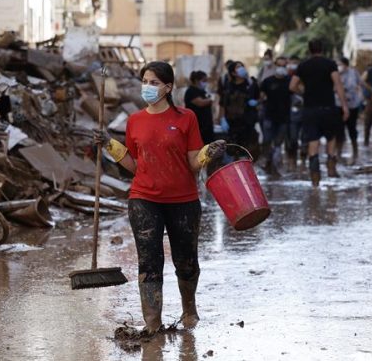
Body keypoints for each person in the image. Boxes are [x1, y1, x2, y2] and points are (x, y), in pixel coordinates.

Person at [93, 61, 226, 335]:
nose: (147, 87)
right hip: (144, 198)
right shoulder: (135, 120)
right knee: (149, 261)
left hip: (183, 199)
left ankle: (189, 309)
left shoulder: (186, 118)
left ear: (168, 87)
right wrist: (109, 145)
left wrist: (207, 153)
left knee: (186, 261)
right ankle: (152, 323)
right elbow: (133, 165)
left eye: (154, 82)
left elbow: (192, 163)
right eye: (145, 81)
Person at [289, 39, 350, 186]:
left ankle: (315, 174)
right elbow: (338, 84)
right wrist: (344, 106)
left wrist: (303, 93)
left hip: (310, 109)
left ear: (309, 50)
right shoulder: (330, 64)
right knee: (331, 137)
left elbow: (292, 86)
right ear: (322, 49)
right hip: (328, 107)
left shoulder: (303, 66)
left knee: (313, 140)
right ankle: (330, 163)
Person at [259, 56, 292, 176]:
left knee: (278, 143)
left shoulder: (290, 81)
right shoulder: (267, 81)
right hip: (269, 116)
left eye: (283, 66)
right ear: (275, 66)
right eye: (279, 66)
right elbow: (261, 96)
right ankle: (268, 163)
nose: (281, 68)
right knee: (267, 141)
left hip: (284, 117)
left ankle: (275, 165)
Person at [220, 61, 261, 156]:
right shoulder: (228, 86)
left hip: (248, 121)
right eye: (238, 67)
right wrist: (222, 118)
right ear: (233, 73)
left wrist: (256, 103)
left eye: (242, 66)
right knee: (232, 149)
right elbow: (223, 104)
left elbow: (259, 97)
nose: (242, 68)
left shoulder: (251, 84)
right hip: (232, 122)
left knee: (248, 149)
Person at [334, 57, 367, 164]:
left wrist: (370, 93)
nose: (339, 66)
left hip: (353, 104)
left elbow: (361, 84)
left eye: (340, 64)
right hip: (338, 104)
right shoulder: (334, 74)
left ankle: (355, 151)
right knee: (339, 129)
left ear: (345, 64)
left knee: (352, 129)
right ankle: (338, 152)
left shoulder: (354, 73)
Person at [184, 71, 215, 144]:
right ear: (196, 81)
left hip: (206, 125)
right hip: (198, 125)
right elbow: (201, 103)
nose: (206, 82)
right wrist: (211, 99)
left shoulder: (202, 91)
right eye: (204, 80)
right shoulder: (191, 91)